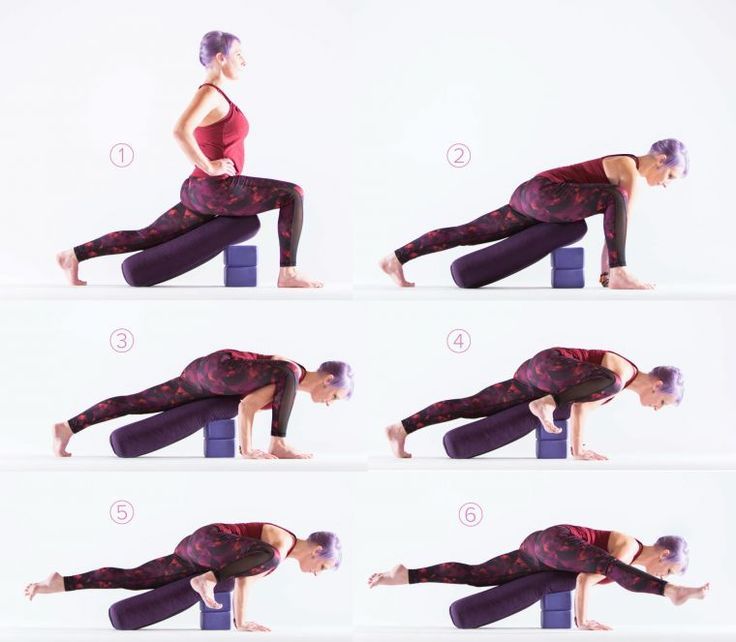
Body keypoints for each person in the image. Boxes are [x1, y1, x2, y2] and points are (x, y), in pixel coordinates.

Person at [56, 30, 322, 288]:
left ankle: (73, 255)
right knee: (293, 194)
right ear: (220, 57)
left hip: (201, 190)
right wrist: (210, 166)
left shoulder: (216, 95)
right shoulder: (209, 94)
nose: (244, 61)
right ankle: (288, 273)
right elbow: (179, 130)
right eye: (238, 54)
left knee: (146, 236)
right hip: (216, 188)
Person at [380, 140, 689, 290]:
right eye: (671, 176)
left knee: (469, 232)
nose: (666, 185)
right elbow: (620, 226)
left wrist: (606, 273)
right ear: (660, 160)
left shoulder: (626, 168)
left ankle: (396, 258)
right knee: (615, 199)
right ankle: (621, 272)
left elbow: (614, 230)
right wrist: (616, 271)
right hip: (548, 193)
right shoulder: (629, 169)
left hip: (530, 194)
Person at [368, 523, 708, 631]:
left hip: (539, 547)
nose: (662, 568)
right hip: (557, 543)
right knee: (614, 572)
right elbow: (586, 579)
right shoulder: (627, 548)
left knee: (478, 574)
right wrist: (583, 619)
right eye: (670, 569)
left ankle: (406, 575)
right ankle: (670, 591)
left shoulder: (625, 554)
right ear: (664, 555)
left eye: (668, 576)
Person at [26, 521, 341, 633]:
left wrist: (241, 622)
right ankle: (208, 580)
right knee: (267, 557)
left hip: (193, 550)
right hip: (211, 540)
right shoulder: (280, 542)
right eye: (323, 567)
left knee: (136, 577)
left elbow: (245, 582)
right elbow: (249, 565)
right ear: (317, 551)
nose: (317, 574)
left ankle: (61, 582)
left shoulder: (272, 559)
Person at [385, 347, 682, 460]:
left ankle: (401, 428)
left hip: (533, 376)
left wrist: (578, 451)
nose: (658, 407)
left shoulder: (615, 387)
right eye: (663, 401)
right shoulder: (622, 372)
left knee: (472, 404)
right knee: (609, 383)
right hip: (550, 366)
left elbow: (580, 408)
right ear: (657, 385)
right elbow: (583, 394)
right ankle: (547, 404)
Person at [53, 349, 354, 458]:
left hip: (203, 370)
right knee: (140, 401)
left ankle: (69, 427)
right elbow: (247, 405)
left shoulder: (290, 368)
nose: (329, 404)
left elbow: (267, 362)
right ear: (327, 379)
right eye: (335, 397)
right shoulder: (290, 375)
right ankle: (280, 443)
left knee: (138, 401)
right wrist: (247, 450)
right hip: (221, 372)